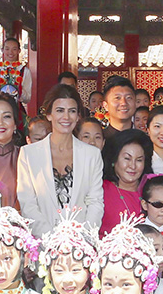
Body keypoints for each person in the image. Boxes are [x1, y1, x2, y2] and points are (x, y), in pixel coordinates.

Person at [17, 84, 105, 238]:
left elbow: (95, 202)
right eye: (60, 110)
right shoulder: (28, 154)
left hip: (81, 246)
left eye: (72, 111)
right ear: (49, 114)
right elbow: (28, 204)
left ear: (78, 116)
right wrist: (52, 240)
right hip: (43, 244)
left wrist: (82, 240)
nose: (66, 117)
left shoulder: (92, 155)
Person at [100, 129, 153, 234]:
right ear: (114, 160)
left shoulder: (153, 189)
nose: (133, 166)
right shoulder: (100, 190)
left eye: (139, 160)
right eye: (127, 159)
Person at [0, 36, 32, 108]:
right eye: (7, 49)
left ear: (19, 51)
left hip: (16, 108)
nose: (10, 52)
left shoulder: (25, 71)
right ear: (2, 50)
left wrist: (19, 88)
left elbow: (27, 99)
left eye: (14, 49)